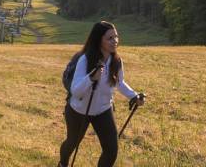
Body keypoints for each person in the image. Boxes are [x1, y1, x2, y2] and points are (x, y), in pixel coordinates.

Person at [58, 21, 145, 167]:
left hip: (103, 110)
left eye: (116, 37)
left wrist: (134, 96)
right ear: (99, 39)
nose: (115, 41)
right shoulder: (85, 59)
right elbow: (76, 91)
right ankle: (63, 164)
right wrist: (91, 77)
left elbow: (120, 83)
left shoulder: (116, 61)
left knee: (111, 150)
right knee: (71, 143)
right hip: (79, 110)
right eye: (110, 38)